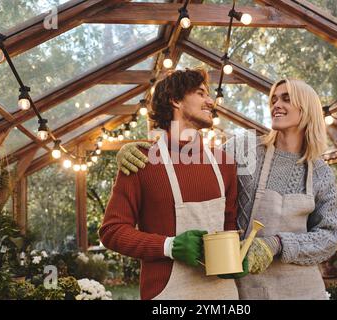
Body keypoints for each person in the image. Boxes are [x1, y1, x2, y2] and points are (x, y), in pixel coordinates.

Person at [115, 78, 337, 300]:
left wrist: (277, 244)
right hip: (246, 288)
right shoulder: (244, 149)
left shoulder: (321, 173)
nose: (276, 105)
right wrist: (139, 149)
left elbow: (330, 236)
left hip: (301, 288)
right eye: (273, 100)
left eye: (286, 99)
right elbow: (193, 159)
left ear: (307, 107)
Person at [99, 68, 242, 300]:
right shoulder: (141, 162)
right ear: (175, 100)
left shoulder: (224, 162)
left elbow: (229, 225)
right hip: (166, 295)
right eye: (200, 93)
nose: (210, 101)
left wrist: (236, 254)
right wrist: (169, 246)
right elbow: (111, 231)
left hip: (221, 294)